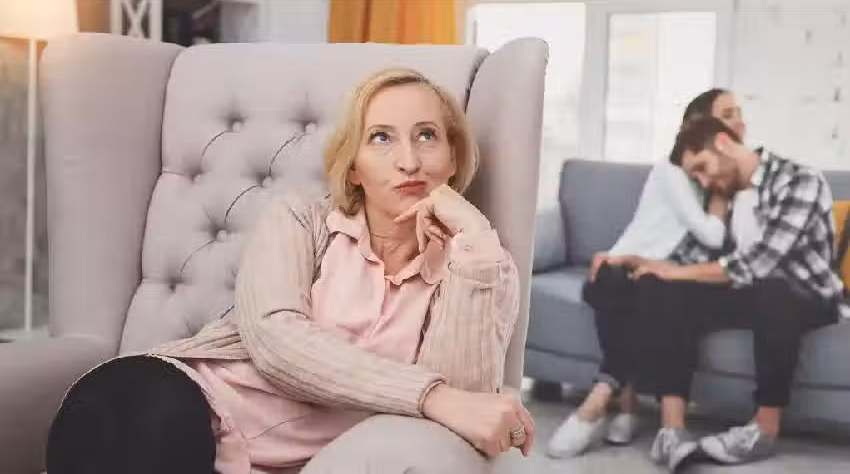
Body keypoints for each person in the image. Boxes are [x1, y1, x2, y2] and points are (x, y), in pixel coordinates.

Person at [46, 68, 535, 474]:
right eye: (381, 138)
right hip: (188, 398)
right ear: (354, 166)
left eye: (427, 136)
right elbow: (275, 340)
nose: (408, 161)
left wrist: (473, 239)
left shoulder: (482, 268)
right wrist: (430, 396)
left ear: (453, 157)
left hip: (281, 460)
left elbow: (468, 415)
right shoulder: (301, 220)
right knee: (132, 428)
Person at [630, 116, 845, 467]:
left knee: (773, 290)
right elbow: (706, 259)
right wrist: (658, 269)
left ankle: (764, 429)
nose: (703, 181)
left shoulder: (799, 180)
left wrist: (677, 271)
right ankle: (672, 430)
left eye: (702, 168)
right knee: (668, 288)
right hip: (752, 291)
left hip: (807, 293)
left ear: (724, 144)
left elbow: (759, 262)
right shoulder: (725, 196)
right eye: (695, 177)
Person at [547, 89, 747, 461]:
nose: (738, 121)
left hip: (660, 277)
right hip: (624, 267)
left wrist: (722, 195)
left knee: (649, 291)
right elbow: (709, 234)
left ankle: (608, 399)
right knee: (616, 281)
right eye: (726, 114)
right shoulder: (672, 172)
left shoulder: (730, 178)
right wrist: (624, 258)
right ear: (699, 128)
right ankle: (623, 401)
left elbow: (717, 244)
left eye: (738, 112)